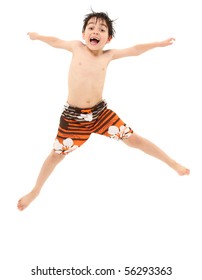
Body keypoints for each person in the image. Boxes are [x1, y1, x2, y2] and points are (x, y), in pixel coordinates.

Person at [17, 11, 190, 211]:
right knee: (56, 155)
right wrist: (37, 36)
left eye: (101, 29)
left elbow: (134, 49)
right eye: (91, 28)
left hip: (101, 114)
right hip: (73, 118)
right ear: (83, 34)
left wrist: (158, 44)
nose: (95, 31)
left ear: (108, 39)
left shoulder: (109, 55)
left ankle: (173, 163)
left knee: (134, 140)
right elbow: (55, 41)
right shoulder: (76, 47)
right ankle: (35, 191)